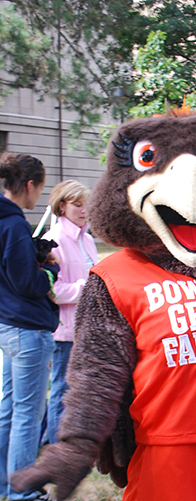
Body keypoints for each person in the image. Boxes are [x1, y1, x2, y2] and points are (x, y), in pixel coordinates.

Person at [0, 152, 62, 501]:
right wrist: (49, 271)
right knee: (27, 413)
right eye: (39, 187)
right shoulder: (14, 225)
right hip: (26, 328)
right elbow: (28, 282)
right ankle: (22, 491)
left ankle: (7, 481)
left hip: (8, 325)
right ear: (28, 185)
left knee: (10, 407)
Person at [45, 180, 97, 443]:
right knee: (61, 390)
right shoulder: (52, 240)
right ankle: (57, 445)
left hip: (87, 327)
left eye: (86, 203)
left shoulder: (87, 239)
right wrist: (86, 286)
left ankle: (70, 440)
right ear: (62, 206)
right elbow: (52, 290)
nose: (83, 209)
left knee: (81, 389)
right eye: (77, 204)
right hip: (64, 330)